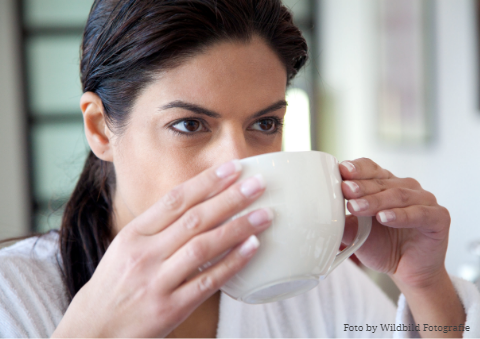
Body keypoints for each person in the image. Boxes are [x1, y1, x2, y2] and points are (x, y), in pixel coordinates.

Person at [0, 0, 479, 337]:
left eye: (265, 122)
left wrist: (424, 285)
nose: (241, 163)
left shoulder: (308, 282)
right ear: (101, 129)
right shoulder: (14, 297)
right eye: (189, 124)